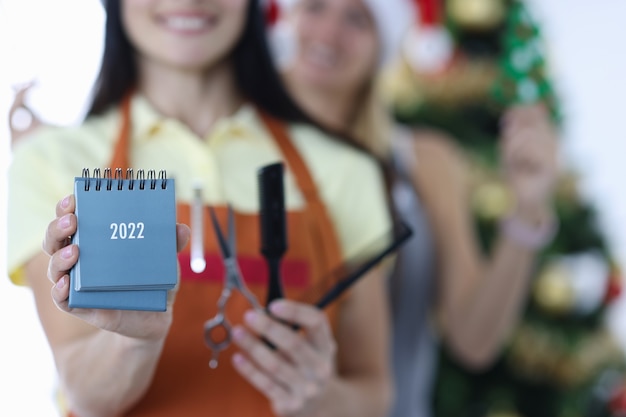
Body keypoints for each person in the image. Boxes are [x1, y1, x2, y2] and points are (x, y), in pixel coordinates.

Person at [6, 1, 394, 416]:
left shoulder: (344, 170)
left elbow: (376, 394)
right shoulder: (50, 162)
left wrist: (324, 400)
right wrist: (136, 338)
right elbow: (84, 394)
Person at [272, 0, 558, 416]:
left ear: (384, 43)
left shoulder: (423, 161)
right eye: (315, 7)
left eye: (357, 18)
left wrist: (528, 208)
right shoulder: (233, 147)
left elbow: (474, 341)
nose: (328, 33)